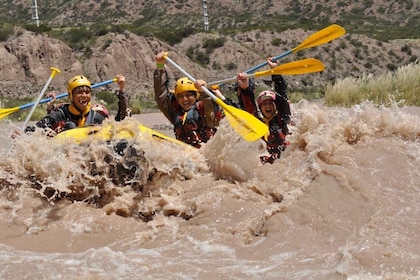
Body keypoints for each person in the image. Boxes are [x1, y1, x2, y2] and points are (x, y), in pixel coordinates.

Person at [153, 51, 224, 148]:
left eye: (188, 95)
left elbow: (211, 114)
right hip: (186, 153)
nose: (185, 99)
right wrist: (160, 67)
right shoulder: (175, 112)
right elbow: (160, 96)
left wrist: (204, 91)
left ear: (196, 96)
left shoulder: (202, 108)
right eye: (180, 96)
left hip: (205, 153)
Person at [25, 74, 131, 135]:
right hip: (65, 153)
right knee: (71, 126)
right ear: (71, 96)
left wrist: (121, 90)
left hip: (88, 155)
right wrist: (24, 134)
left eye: (87, 92)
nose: (84, 95)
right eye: (79, 92)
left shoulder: (96, 116)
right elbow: (38, 128)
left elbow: (121, 120)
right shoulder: (60, 114)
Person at [236, 57, 291, 164]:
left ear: (275, 106)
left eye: (270, 103)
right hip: (267, 163)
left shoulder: (282, 120)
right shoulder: (257, 123)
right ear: (260, 108)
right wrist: (245, 89)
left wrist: (275, 72)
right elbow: (249, 109)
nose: (267, 106)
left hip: (284, 161)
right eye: (264, 104)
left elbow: (282, 97)